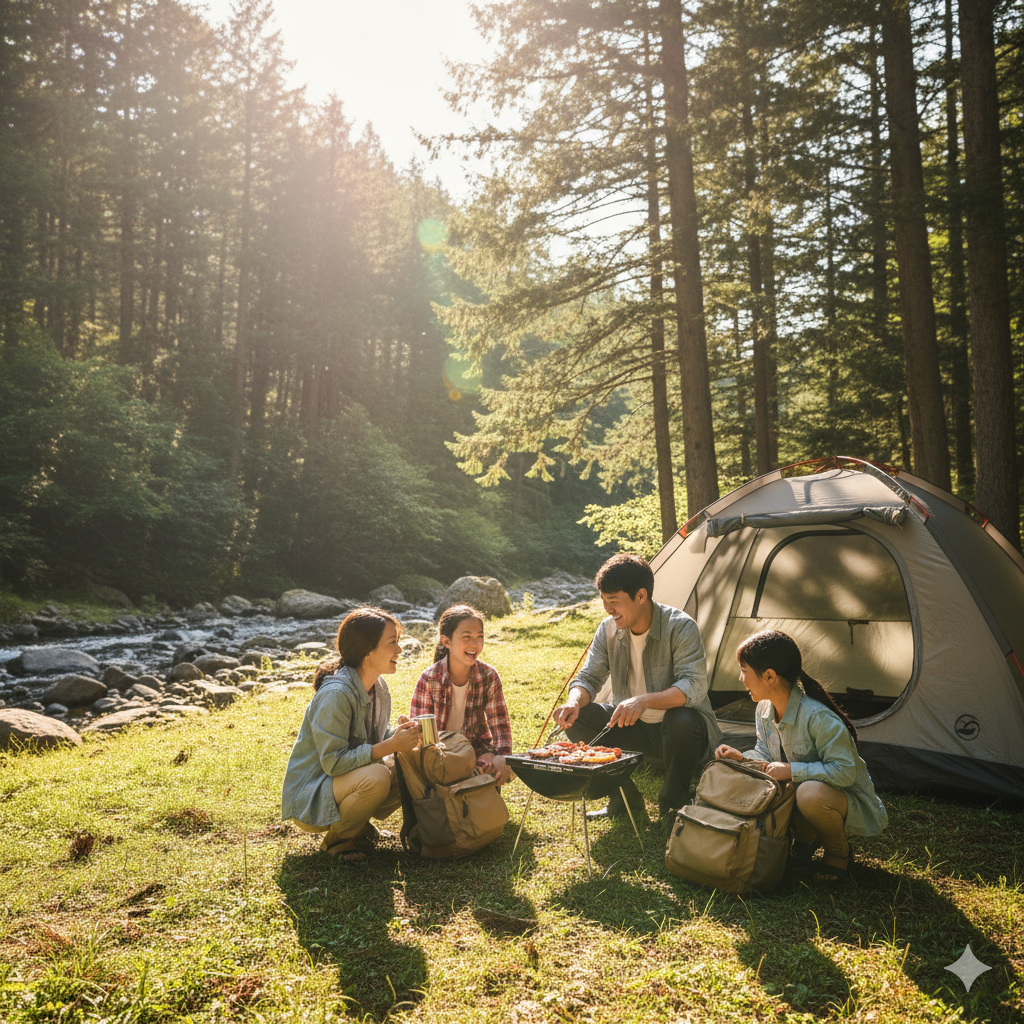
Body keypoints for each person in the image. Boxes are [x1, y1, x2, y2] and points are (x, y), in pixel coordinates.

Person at [553, 553, 722, 828]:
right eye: (604, 602)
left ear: (641, 595)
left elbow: (694, 685)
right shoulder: (608, 630)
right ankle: (623, 800)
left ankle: (673, 803)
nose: (608, 610)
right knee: (580, 716)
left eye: (614, 602)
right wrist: (573, 701)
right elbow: (589, 677)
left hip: (682, 737)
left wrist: (644, 701)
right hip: (635, 730)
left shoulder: (679, 626)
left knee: (683, 718)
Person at [715, 629, 888, 882]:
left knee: (808, 792)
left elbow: (844, 773)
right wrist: (741, 758)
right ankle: (805, 841)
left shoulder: (818, 718)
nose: (741, 678)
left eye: (744, 670)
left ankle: (838, 852)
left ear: (770, 676)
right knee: (780, 784)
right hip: (804, 797)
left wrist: (792, 770)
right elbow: (765, 752)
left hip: (843, 801)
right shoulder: (764, 708)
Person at [281, 607, 421, 862]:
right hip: (312, 796)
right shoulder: (336, 694)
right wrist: (391, 745)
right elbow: (334, 763)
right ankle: (340, 836)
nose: (399, 650)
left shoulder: (378, 686)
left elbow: (372, 741)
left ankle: (357, 829)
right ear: (368, 651)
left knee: (409, 764)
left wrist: (398, 735)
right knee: (378, 775)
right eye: (392, 643)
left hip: (345, 784)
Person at [411, 604, 513, 785]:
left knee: (500, 766)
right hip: (440, 753)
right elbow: (421, 738)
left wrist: (502, 756)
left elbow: (500, 724)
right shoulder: (429, 679)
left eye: (479, 637)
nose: (475, 644)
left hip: (476, 750)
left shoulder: (488, 675)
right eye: (467, 637)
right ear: (446, 641)